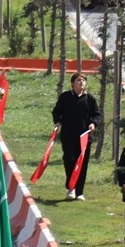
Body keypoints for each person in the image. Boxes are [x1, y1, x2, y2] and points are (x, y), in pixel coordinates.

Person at [51, 73, 100, 201]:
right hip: (68, 135)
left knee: (82, 163)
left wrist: (93, 123)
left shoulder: (90, 99)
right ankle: (70, 188)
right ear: (73, 83)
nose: (81, 82)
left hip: (84, 137)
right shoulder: (65, 97)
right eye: (79, 80)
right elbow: (56, 111)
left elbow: (97, 114)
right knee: (69, 160)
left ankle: (79, 192)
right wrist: (57, 121)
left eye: (83, 80)